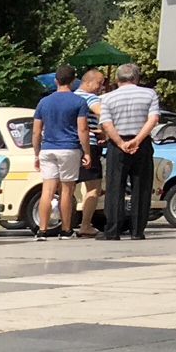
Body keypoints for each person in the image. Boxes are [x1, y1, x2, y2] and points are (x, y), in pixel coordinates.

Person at [98, 62, 161, 240]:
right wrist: (137, 140)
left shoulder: (108, 98)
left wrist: (120, 142)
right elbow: (153, 119)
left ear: (117, 79)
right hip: (142, 143)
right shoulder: (149, 94)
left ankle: (113, 230)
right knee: (141, 186)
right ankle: (137, 230)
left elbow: (106, 124)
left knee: (114, 186)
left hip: (117, 144)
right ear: (137, 78)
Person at [30, 65, 89, 237]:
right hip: (69, 148)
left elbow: (36, 131)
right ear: (73, 81)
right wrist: (86, 152)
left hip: (48, 148)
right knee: (66, 190)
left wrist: (36, 153)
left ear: (56, 81)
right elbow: (82, 129)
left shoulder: (44, 102)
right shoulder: (79, 101)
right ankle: (66, 229)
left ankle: (42, 229)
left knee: (47, 190)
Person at [76, 67, 108, 236]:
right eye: (99, 83)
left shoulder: (72, 97)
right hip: (89, 144)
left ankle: (65, 225)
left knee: (67, 187)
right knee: (93, 187)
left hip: (71, 145)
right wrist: (104, 130)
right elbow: (102, 113)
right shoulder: (90, 97)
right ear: (88, 82)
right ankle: (85, 225)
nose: (100, 87)